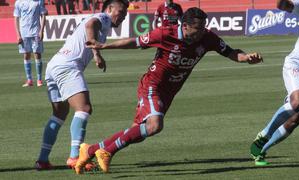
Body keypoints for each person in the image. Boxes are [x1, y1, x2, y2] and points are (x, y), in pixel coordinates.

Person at [74, 7, 263, 174]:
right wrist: (104, 46)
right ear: (185, 26)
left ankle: (89, 150)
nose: (201, 33)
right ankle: (107, 152)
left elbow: (230, 52)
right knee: (155, 125)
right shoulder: (165, 34)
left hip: (169, 92)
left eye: (203, 28)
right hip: (152, 86)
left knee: (137, 132)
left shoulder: (207, 38)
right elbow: (135, 42)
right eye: (197, 29)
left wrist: (246, 57)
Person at [34, 0, 129, 170]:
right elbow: (90, 25)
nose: (123, 15)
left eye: (125, 12)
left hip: (54, 65)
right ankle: (75, 157)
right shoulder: (102, 17)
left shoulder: (101, 21)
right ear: (109, 9)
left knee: (59, 113)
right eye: (121, 11)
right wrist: (96, 53)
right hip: (67, 66)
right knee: (84, 109)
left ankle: (42, 160)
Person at [250, 0, 299, 166]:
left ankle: (260, 150)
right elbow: (282, 5)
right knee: (298, 100)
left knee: (294, 121)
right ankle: (265, 133)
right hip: (297, 65)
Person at [14, 0, 47, 87]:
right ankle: (29, 80)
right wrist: (18, 34)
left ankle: (39, 79)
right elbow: (16, 18)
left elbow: (43, 15)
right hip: (24, 33)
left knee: (37, 54)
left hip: (35, 32)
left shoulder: (39, 1)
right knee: (26, 54)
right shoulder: (18, 2)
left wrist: (41, 31)